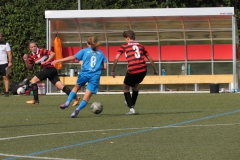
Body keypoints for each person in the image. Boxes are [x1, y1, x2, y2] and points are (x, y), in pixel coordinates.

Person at [51, 36, 107, 118]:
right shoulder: (101, 53)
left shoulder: (84, 51)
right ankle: (77, 110)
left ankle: (67, 102)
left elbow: (72, 57)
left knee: (76, 87)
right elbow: (105, 67)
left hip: (84, 74)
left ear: (87, 43)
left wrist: (58, 60)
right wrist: (96, 67)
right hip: (95, 76)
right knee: (86, 98)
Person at [111, 30, 158, 115]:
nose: (125, 40)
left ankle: (132, 109)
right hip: (143, 69)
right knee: (135, 86)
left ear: (128, 38)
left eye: (125, 39)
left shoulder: (124, 46)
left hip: (133, 69)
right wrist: (155, 70)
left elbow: (116, 58)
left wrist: (113, 70)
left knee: (125, 87)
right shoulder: (140, 45)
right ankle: (131, 103)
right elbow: (150, 58)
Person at [0, 32, 12, 97]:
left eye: (0, 36)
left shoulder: (6, 43)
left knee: (5, 77)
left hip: (4, 63)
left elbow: (9, 53)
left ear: (1, 37)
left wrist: (10, 62)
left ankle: (6, 92)